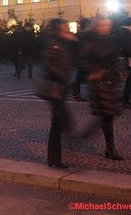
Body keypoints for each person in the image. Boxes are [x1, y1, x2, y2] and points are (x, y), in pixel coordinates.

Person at [77, 17, 123, 161]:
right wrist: (94, 71)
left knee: (109, 113)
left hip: (111, 80)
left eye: (108, 25)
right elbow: (81, 60)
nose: (107, 27)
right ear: (96, 26)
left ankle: (100, 141)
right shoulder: (90, 41)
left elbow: (114, 57)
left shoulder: (109, 39)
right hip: (99, 82)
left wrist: (119, 71)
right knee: (107, 113)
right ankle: (109, 147)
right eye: (103, 25)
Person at [38, 19, 77, 169]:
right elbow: (49, 65)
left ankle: (54, 158)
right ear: (58, 29)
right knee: (61, 123)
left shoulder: (61, 43)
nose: (68, 29)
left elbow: (71, 60)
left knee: (57, 124)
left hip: (59, 87)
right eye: (65, 27)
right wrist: (62, 78)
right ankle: (57, 157)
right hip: (55, 88)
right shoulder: (53, 44)